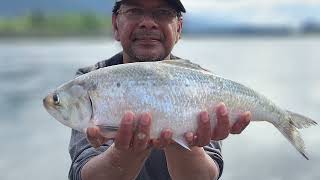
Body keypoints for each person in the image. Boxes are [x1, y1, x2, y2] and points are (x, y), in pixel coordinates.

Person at [68, 0, 251, 180]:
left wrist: (182, 141)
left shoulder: (201, 81)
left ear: (178, 28)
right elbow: (84, 175)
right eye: (134, 11)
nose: (148, 23)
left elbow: (205, 176)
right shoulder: (89, 82)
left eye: (163, 12)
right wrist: (127, 153)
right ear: (116, 24)